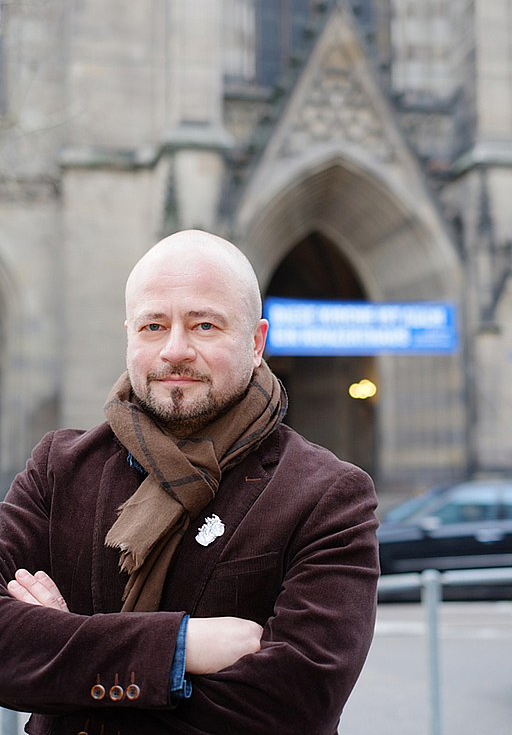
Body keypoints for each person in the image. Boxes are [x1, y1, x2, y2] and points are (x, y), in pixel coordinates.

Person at [0, 230, 379, 735]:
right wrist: (181, 648)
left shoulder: (328, 495)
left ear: (256, 342)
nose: (175, 350)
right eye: (153, 325)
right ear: (129, 337)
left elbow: (298, 703)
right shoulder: (59, 467)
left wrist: (65, 652)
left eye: (204, 325)